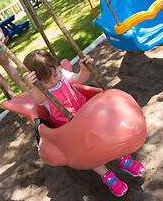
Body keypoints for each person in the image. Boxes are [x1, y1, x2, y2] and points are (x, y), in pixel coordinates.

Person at [22, 49, 144, 197]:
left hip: (87, 114)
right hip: (69, 128)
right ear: (38, 82)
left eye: (55, 75)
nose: (54, 81)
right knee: (89, 151)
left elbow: (79, 79)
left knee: (108, 135)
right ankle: (107, 176)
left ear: (56, 67)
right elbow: (39, 100)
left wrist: (84, 69)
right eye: (47, 81)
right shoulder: (41, 92)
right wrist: (34, 86)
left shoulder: (63, 75)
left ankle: (123, 157)